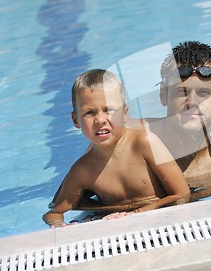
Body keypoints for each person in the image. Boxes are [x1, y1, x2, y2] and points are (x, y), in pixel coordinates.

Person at [43, 69, 190, 227]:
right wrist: (58, 225)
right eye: (90, 113)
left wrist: (137, 214)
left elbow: (182, 194)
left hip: (162, 220)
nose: (100, 120)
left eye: (109, 110)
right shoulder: (83, 170)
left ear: (125, 114)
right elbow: (54, 212)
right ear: (76, 120)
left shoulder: (145, 143)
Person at [140, 41, 211, 201]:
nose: (192, 102)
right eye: (181, 91)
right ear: (163, 94)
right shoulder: (133, 143)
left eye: (203, 92)